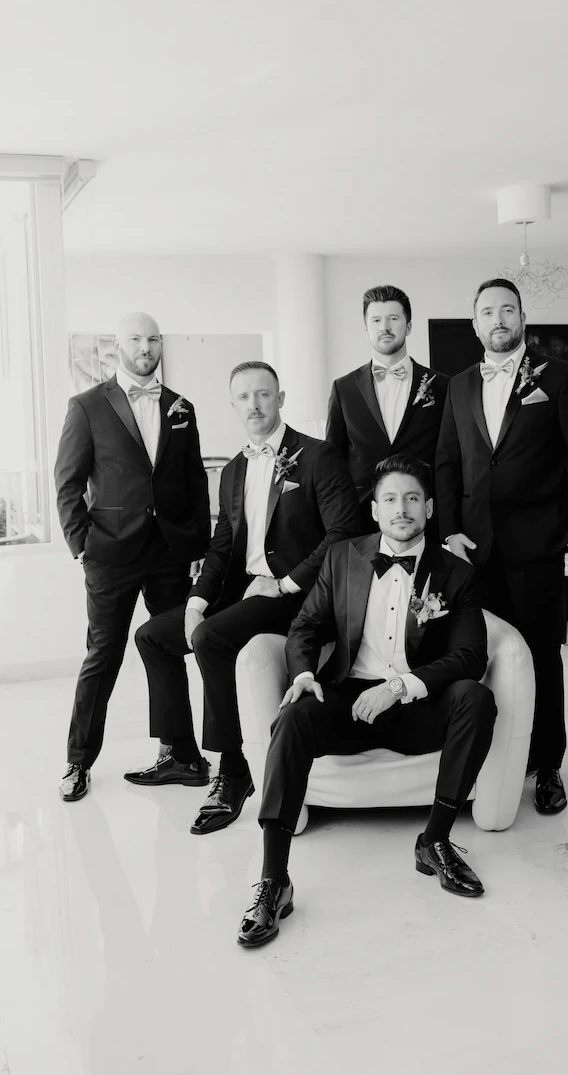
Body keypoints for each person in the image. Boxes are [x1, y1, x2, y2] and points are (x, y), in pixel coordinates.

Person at [236, 454, 495, 948]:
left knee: (476, 698)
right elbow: (305, 626)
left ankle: (435, 840)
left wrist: (399, 686)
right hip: (349, 701)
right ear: (375, 510)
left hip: (417, 703)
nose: (402, 509)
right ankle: (274, 879)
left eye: (412, 498)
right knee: (292, 717)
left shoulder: (455, 573)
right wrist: (304, 674)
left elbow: (470, 656)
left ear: (429, 508)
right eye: (390, 499)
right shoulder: (343, 557)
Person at [127, 361, 361, 836]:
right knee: (152, 636)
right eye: (243, 397)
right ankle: (182, 755)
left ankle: (234, 772)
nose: (254, 405)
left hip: (297, 596)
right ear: (233, 405)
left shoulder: (318, 456)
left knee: (211, 638)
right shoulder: (233, 469)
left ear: (280, 398)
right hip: (245, 590)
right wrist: (196, 603)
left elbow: (343, 533)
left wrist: (287, 582)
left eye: (263, 394)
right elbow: (221, 546)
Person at [435, 278, 568, 814]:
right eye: (488, 312)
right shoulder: (459, 385)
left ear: (523, 318)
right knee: (480, 659)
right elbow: (447, 462)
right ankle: (498, 758)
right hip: (472, 551)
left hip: (537, 546)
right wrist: (449, 531)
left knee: (541, 657)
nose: (498, 319)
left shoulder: (560, 377)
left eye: (508, 310)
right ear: (475, 323)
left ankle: (548, 765)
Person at [54, 312, 210, 802]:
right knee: (103, 655)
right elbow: (67, 483)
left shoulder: (181, 407)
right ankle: (78, 762)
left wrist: (199, 548)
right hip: (110, 553)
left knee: (168, 650)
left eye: (153, 339)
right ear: (118, 346)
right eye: (136, 339)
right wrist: (82, 547)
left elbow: (194, 480)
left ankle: (181, 755)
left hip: (170, 551)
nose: (146, 347)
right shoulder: (86, 406)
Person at [326, 285, 449, 533]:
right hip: (360, 517)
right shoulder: (344, 388)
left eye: (393, 319)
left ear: (409, 326)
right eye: (376, 320)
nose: (385, 327)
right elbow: (333, 462)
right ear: (367, 329)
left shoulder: (443, 385)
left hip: (424, 518)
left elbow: (449, 457)